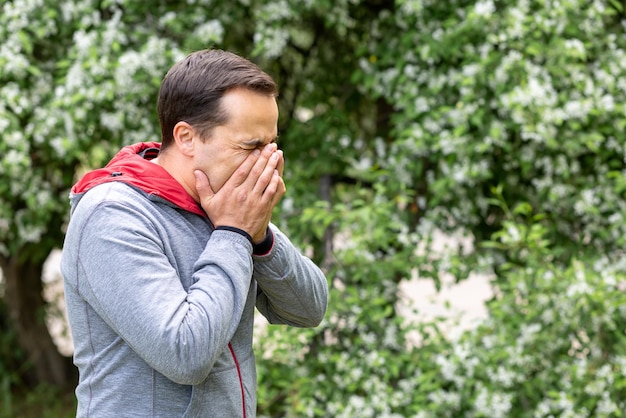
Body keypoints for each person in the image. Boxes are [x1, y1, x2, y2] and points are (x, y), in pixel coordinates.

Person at [60, 49, 329, 417]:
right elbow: (185, 354)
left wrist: (260, 236)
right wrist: (234, 233)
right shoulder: (112, 214)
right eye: (251, 146)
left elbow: (308, 309)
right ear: (186, 138)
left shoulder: (225, 204)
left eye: (271, 145)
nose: (267, 162)